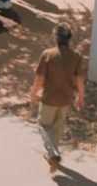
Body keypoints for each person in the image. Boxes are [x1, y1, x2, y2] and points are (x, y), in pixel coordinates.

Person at [32, 24, 87, 172]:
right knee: (57, 127)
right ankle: (53, 156)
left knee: (43, 125)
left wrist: (34, 93)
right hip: (66, 99)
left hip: (49, 98)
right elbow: (79, 80)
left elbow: (40, 78)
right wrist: (81, 97)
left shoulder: (47, 54)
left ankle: (53, 153)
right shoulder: (76, 57)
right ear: (69, 39)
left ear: (56, 38)